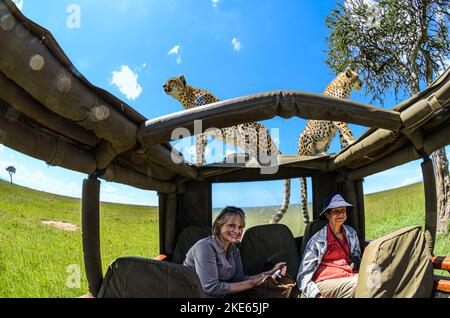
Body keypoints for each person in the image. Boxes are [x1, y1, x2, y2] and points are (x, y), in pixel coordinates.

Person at [183, 206, 287, 298]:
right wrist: (252, 283)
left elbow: (239, 279)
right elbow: (211, 287)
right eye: (231, 225)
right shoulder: (205, 247)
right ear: (219, 226)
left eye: (240, 227)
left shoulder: (233, 249)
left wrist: (270, 272)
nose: (237, 231)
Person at [297, 193, 361, 298]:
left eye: (343, 210)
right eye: (336, 211)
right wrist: (316, 295)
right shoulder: (317, 241)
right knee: (356, 284)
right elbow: (303, 276)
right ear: (327, 215)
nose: (341, 214)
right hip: (325, 281)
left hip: (348, 275)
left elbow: (356, 259)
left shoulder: (351, 233)